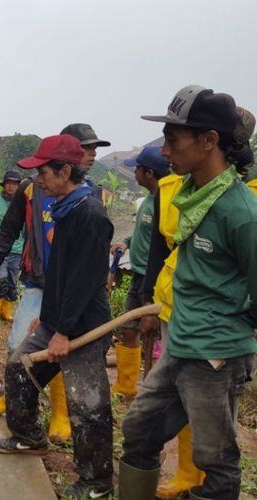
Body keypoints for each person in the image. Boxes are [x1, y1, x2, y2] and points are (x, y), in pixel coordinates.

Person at [120, 85, 257, 500]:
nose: (164, 152)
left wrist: (227, 329)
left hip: (213, 353)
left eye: (173, 140)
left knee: (214, 458)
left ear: (209, 141)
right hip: (180, 340)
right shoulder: (188, 196)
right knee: (139, 429)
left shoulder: (240, 212)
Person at [0, 134, 115, 499]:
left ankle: (96, 482)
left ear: (64, 171)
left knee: (87, 405)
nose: (38, 181)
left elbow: (84, 280)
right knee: (19, 368)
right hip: (57, 320)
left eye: (43, 172)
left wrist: (62, 330)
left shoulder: (89, 214)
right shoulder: (64, 208)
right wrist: (46, 319)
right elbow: (57, 276)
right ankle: (30, 438)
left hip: (85, 326)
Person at [108, 146, 169, 397]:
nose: (134, 173)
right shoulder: (147, 202)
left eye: (138, 169)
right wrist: (128, 243)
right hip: (137, 274)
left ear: (149, 173)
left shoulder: (166, 203)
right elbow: (143, 233)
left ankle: (154, 391)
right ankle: (126, 384)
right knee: (129, 328)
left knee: (152, 332)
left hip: (152, 279)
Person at [0, 170, 24, 321]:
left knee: (12, 280)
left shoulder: (23, 204)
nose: (11, 187)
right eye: (8, 183)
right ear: (4, 185)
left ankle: (7, 310)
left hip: (17, 249)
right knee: (1, 278)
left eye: (15, 184)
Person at [61, 123, 113, 207]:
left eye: (94, 148)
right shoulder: (37, 188)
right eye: (87, 147)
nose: (94, 153)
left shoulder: (101, 196)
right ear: (65, 150)